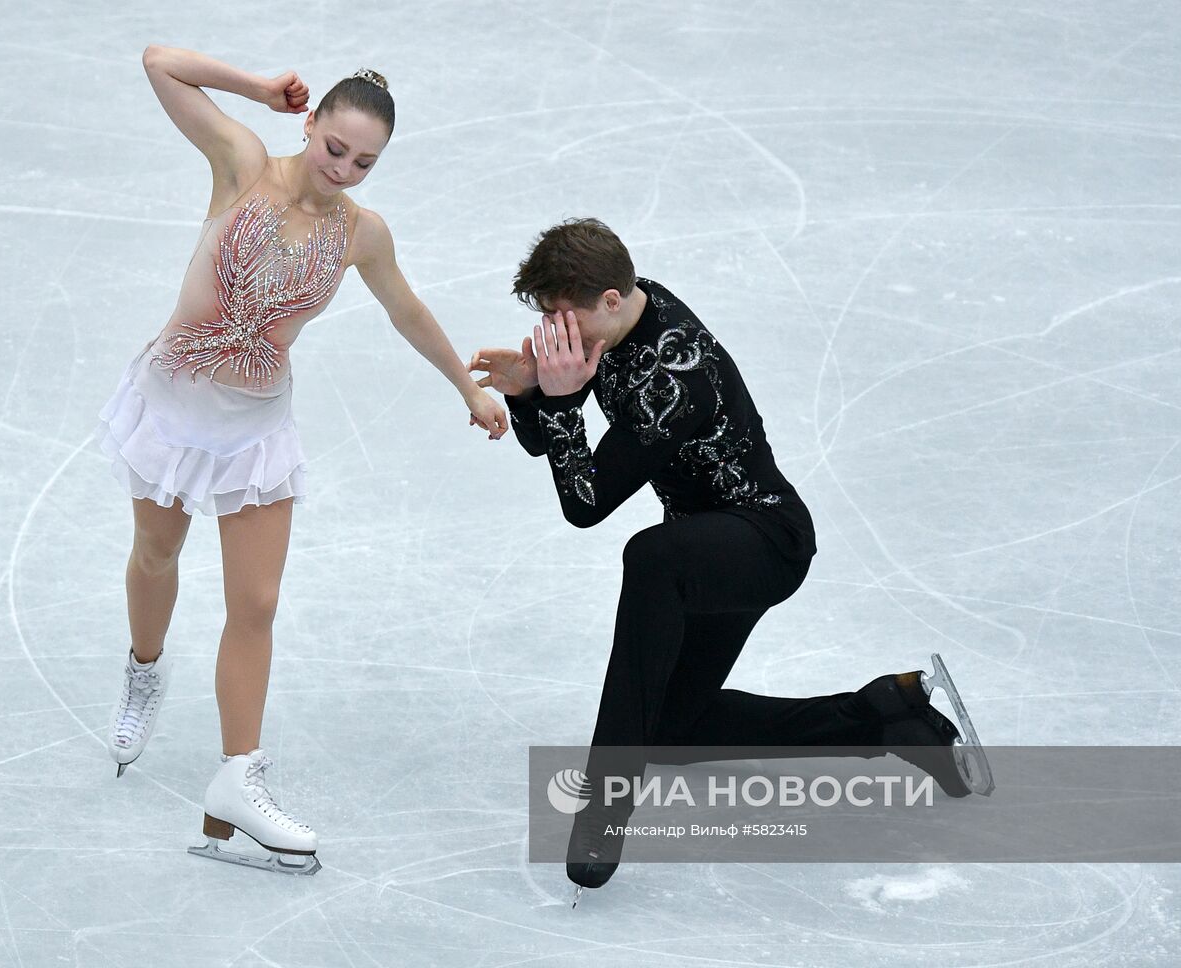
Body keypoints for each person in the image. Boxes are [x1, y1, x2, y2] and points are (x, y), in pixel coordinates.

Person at [469, 218, 991, 904]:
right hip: (702, 554)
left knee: (649, 558)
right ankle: (887, 716)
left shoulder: (675, 375)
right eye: (547, 321)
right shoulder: (620, 317)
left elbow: (585, 503)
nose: (557, 334)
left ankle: (605, 805)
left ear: (612, 299)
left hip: (762, 541)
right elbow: (553, 449)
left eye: (565, 319)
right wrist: (531, 392)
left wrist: (560, 399)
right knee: (669, 728)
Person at [94, 46, 507, 876]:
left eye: (364, 162)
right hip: (174, 409)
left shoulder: (361, 234)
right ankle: (144, 669)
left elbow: (406, 310)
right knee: (156, 555)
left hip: (255, 432)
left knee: (257, 602)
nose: (344, 169)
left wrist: (467, 387)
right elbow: (161, 64)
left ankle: (236, 780)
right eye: (335, 148)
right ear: (310, 124)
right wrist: (256, 88)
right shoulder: (242, 163)